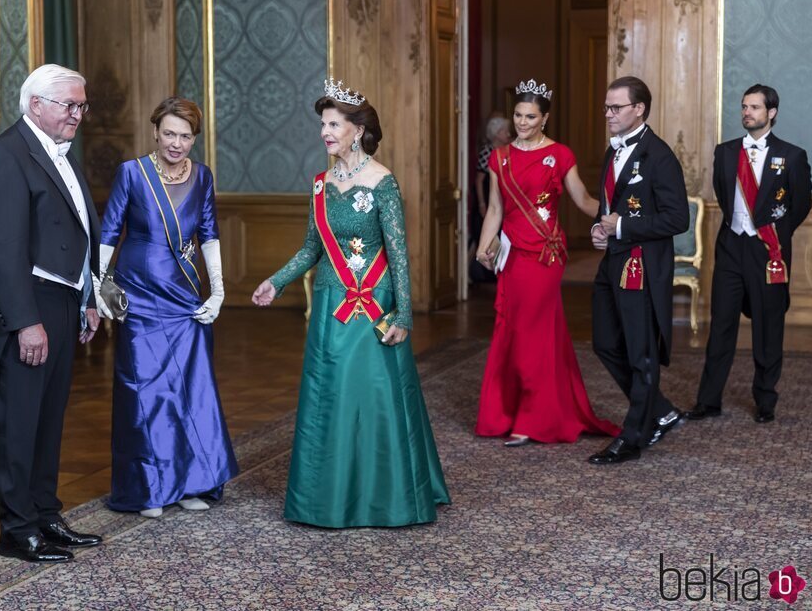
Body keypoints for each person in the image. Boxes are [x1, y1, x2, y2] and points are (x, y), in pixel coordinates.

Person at [251, 79, 449, 528]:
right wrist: (276, 281)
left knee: (376, 396)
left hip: (374, 305)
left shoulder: (383, 182)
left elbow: (398, 251)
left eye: (333, 124)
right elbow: (310, 249)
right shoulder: (321, 185)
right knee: (330, 398)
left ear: (357, 130)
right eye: (322, 124)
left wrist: (404, 313)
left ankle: (387, 496)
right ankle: (326, 499)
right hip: (330, 304)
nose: (324, 132)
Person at [0, 64, 102, 562]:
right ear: (35, 105)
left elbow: (76, 233)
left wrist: (87, 297)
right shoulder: (7, 156)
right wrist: (26, 322)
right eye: (70, 105)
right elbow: (3, 250)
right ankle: (17, 528)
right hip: (25, 306)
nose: (78, 114)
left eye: (81, 106)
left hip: (65, 302)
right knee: (18, 422)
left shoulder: (59, 154)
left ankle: (46, 514)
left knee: (49, 419)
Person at [97, 96, 238, 518]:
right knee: (145, 393)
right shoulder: (132, 173)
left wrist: (218, 291)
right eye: (169, 133)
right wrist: (98, 287)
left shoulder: (202, 177)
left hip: (183, 296)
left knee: (191, 392)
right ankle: (149, 488)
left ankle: (190, 481)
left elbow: (209, 233)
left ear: (195, 138)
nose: (176, 143)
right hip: (138, 295)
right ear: (155, 132)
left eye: (186, 136)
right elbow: (108, 232)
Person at [475, 79, 620, 446]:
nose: (522, 123)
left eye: (531, 117)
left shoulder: (560, 154)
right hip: (512, 253)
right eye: (518, 115)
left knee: (532, 333)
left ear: (545, 118)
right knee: (512, 331)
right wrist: (483, 244)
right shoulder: (500, 157)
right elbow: (495, 208)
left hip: (544, 256)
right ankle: (507, 413)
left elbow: (583, 199)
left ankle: (531, 417)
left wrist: (613, 217)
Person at [685, 85, 812, 424]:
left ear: (771, 113)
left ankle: (765, 400)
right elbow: (725, 197)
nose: (747, 112)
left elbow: (800, 205)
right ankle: (708, 400)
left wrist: (775, 235)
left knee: (768, 328)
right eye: (744, 106)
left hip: (767, 249)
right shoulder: (725, 152)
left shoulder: (792, 155)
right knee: (721, 326)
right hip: (730, 248)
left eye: (754, 107)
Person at [587, 76, 689, 465]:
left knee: (641, 353)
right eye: (607, 107)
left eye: (616, 107)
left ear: (639, 109)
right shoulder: (612, 151)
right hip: (612, 259)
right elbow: (610, 205)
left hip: (641, 266)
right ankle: (660, 410)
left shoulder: (659, 155)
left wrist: (623, 228)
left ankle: (632, 438)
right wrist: (601, 228)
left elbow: (676, 218)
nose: (609, 114)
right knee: (605, 342)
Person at [469, 112, 511, 283]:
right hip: (488, 197)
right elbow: (479, 180)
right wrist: (481, 203)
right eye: (504, 131)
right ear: (495, 133)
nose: (508, 134)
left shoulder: (508, 151)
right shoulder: (488, 152)